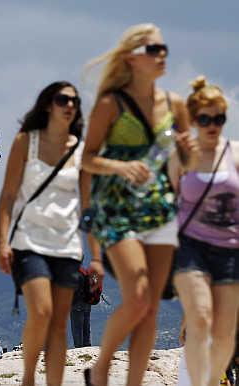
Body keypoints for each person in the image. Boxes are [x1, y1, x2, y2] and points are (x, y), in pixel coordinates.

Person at [81, 23, 194, 386]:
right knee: (139, 295)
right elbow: (87, 158)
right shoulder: (110, 105)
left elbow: (185, 165)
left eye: (164, 49)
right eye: (153, 49)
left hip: (161, 211)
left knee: (149, 310)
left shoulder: (175, 104)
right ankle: (101, 367)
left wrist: (189, 156)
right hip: (118, 211)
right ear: (131, 58)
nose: (162, 55)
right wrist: (120, 165)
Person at [0, 81, 85, 386]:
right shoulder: (26, 142)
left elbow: (87, 203)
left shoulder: (80, 148)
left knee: (59, 323)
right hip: (29, 241)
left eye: (75, 100)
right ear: (48, 104)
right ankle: (29, 377)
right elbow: (8, 195)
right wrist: (1, 241)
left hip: (67, 244)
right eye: (63, 99)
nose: (70, 105)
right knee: (42, 311)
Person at [170, 76, 239, 386]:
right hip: (192, 248)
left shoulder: (235, 154)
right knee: (200, 315)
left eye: (219, 118)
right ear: (195, 119)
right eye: (206, 119)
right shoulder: (182, 156)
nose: (213, 125)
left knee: (225, 334)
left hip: (229, 249)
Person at [70, 266, 92, 348]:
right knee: (86, 327)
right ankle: (87, 345)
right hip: (87, 303)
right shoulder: (85, 271)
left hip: (77, 304)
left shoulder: (74, 273)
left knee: (77, 328)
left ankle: (79, 347)